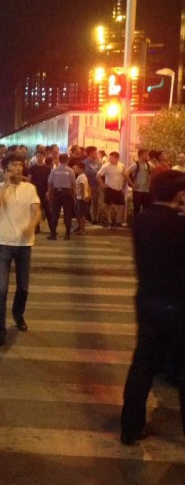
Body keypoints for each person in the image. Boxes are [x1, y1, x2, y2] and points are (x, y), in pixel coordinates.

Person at [120, 170, 185, 445]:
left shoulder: (141, 220)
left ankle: (130, 428)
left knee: (143, 364)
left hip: (147, 298)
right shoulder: (179, 224)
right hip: (177, 302)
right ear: (179, 194)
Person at [0, 153, 41, 346]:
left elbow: (37, 211)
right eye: (14, 165)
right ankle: (0, 330)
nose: (18, 168)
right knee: (1, 289)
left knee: (23, 287)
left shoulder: (30, 188)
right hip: (4, 243)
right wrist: (6, 186)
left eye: (20, 165)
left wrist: (31, 226)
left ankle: (18, 314)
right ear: (6, 168)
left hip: (24, 244)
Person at [47, 152, 76, 240]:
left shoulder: (54, 170)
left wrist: (49, 193)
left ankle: (53, 234)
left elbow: (50, 183)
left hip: (56, 192)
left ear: (59, 160)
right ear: (67, 160)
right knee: (67, 214)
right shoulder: (70, 170)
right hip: (67, 192)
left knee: (55, 214)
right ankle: (67, 234)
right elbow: (73, 183)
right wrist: (74, 194)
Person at [96, 151, 126, 228]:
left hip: (118, 188)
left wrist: (124, 184)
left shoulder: (121, 166)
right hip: (109, 188)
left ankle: (118, 221)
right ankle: (109, 222)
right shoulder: (106, 166)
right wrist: (102, 185)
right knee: (108, 205)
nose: (110, 159)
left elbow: (125, 175)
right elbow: (98, 175)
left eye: (112, 158)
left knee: (121, 205)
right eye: (110, 158)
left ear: (117, 158)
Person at [28, 148, 51, 233]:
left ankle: (52, 229)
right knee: (35, 210)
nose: (39, 157)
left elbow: (49, 181)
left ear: (44, 157)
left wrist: (48, 191)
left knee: (48, 210)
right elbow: (29, 179)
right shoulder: (32, 168)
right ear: (36, 156)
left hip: (44, 191)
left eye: (41, 156)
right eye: (38, 156)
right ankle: (36, 227)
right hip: (34, 191)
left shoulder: (48, 168)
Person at [127, 148, 153, 217]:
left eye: (147, 154)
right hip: (137, 190)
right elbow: (126, 173)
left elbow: (150, 173)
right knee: (137, 208)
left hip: (146, 190)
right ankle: (136, 221)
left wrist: (149, 183)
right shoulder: (135, 164)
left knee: (146, 208)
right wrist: (132, 184)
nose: (147, 156)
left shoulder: (148, 164)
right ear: (140, 155)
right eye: (145, 154)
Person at [73, 160, 91, 235]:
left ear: (81, 169)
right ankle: (80, 228)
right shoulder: (80, 176)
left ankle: (82, 230)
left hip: (82, 198)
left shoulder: (82, 177)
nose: (75, 169)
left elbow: (82, 187)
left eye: (76, 168)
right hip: (79, 197)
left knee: (82, 215)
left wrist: (83, 196)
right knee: (78, 214)